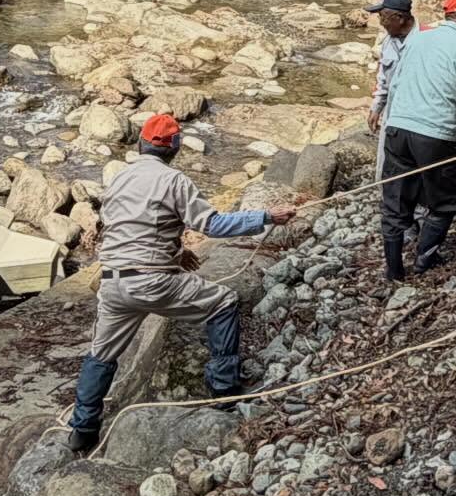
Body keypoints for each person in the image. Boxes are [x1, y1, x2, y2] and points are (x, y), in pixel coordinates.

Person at [68, 114, 297, 451]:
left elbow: (122, 228)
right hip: (153, 282)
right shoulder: (175, 181)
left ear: (140, 144)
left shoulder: (118, 179)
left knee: (100, 356)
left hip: (113, 284)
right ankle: (225, 393)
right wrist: (266, 216)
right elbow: (212, 225)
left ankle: (82, 430)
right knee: (224, 303)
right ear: (174, 149)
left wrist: (174, 254)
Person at [379, 0, 456, 282]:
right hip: (434, 134)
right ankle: (424, 259)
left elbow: (397, 83)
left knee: (395, 201)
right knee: (446, 200)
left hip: (397, 129)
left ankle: (393, 272)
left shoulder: (417, 39)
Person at [366, 0, 417, 181]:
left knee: (414, 167)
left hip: (417, 116)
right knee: (387, 166)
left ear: (399, 18)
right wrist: (377, 107)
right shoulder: (388, 41)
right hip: (393, 113)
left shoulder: (425, 40)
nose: (380, 22)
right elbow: (383, 77)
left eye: (382, 16)